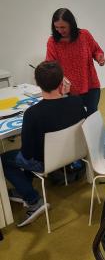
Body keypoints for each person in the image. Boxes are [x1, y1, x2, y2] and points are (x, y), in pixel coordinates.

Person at [1, 61, 86, 227]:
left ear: (37, 83)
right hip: (74, 153)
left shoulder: (32, 114)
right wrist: (67, 94)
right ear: (63, 81)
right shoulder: (76, 102)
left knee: (5, 159)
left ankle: (33, 200)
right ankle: (23, 187)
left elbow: (26, 153)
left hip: (45, 162)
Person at [46, 8, 105, 115]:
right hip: (69, 91)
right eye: (56, 27)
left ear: (71, 24)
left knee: (91, 119)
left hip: (91, 86)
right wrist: (58, 76)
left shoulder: (84, 35)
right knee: (75, 121)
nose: (59, 30)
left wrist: (99, 57)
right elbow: (50, 65)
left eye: (63, 27)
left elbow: (96, 50)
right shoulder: (53, 42)